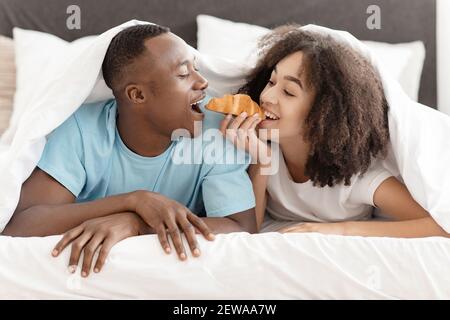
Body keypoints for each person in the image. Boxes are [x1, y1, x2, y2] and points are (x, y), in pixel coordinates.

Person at [2, 24, 257, 276]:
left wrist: (135, 222)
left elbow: (241, 226)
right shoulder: (82, 130)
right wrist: (133, 201)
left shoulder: (216, 128)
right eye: (183, 74)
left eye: (197, 69)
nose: (202, 82)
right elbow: (21, 225)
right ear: (137, 95)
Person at [220, 25, 449, 238]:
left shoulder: (357, 176)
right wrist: (262, 163)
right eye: (271, 82)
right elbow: (251, 229)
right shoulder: (260, 148)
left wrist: (337, 230)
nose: (267, 97)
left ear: (324, 113)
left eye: (288, 92)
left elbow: (439, 227)